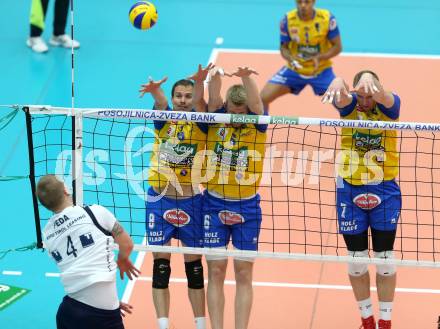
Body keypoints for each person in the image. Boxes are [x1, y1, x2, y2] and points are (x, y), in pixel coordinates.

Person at [322, 71, 401, 329]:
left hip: (384, 190)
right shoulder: (349, 108)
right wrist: (339, 83)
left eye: (370, 95)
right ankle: (367, 320)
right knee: (356, 261)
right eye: (361, 95)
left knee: (385, 261)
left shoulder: (390, 107)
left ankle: (385, 322)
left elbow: (386, 98)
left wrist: (372, 83)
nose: (365, 101)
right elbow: (342, 96)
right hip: (350, 190)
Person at [138, 63, 213, 329]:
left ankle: (200, 324)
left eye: (187, 96)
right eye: (178, 96)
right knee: (161, 267)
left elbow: (203, 103)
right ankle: (163, 325)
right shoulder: (164, 119)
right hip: (160, 200)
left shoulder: (201, 123)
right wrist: (156, 91)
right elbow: (159, 103)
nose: (182, 101)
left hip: (192, 201)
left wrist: (201, 82)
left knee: (194, 268)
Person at [201, 66, 267, 329]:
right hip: (213, 203)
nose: (237, 118)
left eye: (242, 114)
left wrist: (246, 77)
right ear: (226, 108)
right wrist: (215, 74)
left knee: (243, 273)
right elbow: (214, 97)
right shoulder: (217, 118)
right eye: (232, 112)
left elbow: (258, 104)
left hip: (247, 206)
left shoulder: (257, 124)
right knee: (215, 272)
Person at [37, 174, 140, 329]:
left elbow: (80, 270)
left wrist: (108, 301)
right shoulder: (94, 212)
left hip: (69, 314)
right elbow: (127, 244)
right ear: (66, 190)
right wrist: (123, 260)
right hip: (102, 318)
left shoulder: (47, 235)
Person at [260, 0, 342, 107]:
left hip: (321, 70)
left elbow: (337, 47)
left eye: (307, 2)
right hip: (294, 70)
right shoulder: (287, 20)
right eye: (299, 2)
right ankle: (261, 124)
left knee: (343, 103)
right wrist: (291, 59)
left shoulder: (327, 19)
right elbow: (283, 48)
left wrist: (320, 58)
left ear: (313, 2)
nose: (303, 5)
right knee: (262, 98)